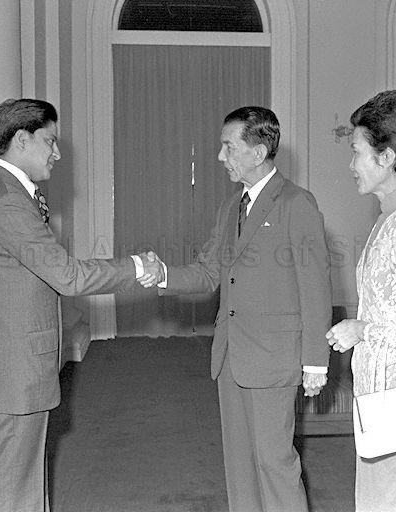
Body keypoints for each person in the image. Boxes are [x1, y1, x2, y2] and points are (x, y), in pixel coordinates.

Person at [0, 98, 160, 512]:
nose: (57, 152)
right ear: (21, 139)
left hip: (8, 360)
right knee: (14, 489)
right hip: (14, 366)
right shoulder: (7, 199)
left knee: (23, 482)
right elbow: (67, 276)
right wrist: (136, 265)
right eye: (50, 141)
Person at [139, 106, 332, 512]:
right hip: (231, 357)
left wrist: (316, 361)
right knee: (240, 466)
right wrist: (163, 276)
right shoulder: (231, 208)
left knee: (275, 464)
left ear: (259, 152)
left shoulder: (297, 203)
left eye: (229, 147)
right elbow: (209, 272)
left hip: (274, 358)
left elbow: (315, 286)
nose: (220, 156)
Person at [325, 89, 396, 512]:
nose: (352, 164)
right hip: (378, 392)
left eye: (357, 152)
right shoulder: (389, 220)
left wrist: (362, 329)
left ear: (386, 156)